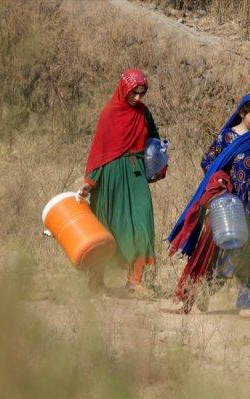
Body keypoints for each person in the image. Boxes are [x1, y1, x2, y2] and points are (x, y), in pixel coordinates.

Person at [167, 92, 250, 320]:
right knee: (226, 252)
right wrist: (220, 183)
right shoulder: (227, 137)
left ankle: (247, 306)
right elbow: (208, 162)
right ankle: (203, 293)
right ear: (242, 113)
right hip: (236, 204)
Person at [78, 68, 166, 295]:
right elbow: (99, 150)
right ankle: (96, 283)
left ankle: (135, 281)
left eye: (141, 93)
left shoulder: (143, 113)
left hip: (135, 173)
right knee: (105, 226)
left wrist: (159, 162)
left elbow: (154, 140)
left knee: (142, 223)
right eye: (134, 93)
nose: (137, 98)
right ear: (124, 89)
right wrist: (90, 182)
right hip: (110, 176)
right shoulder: (110, 112)